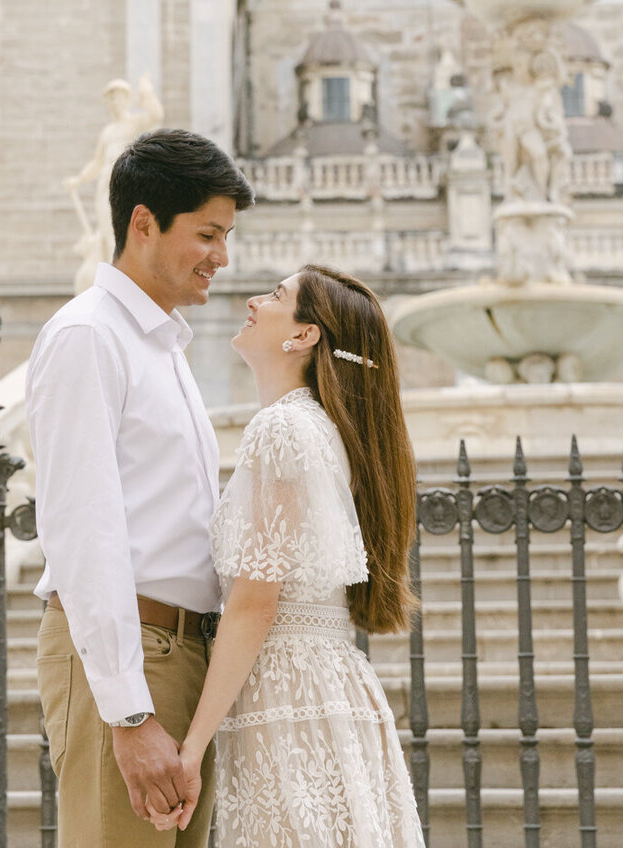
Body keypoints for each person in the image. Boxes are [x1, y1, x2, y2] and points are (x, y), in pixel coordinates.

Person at [26, 129, 254, 846]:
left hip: (184, 656)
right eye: (208, 234)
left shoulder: (163, 345)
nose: (222, 256)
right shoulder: (89, 338)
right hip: (131, 661)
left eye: (226, 236)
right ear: (144, 223)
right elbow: (82, 530)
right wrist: (128, 711)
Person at [170, 266, 424, 848]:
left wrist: (192, 747)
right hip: (330, 684)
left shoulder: (282, 428)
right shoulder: (329, 430)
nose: (255, 301)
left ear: (304, 335)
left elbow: (254, 603)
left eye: (276, 295)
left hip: (287, 694)